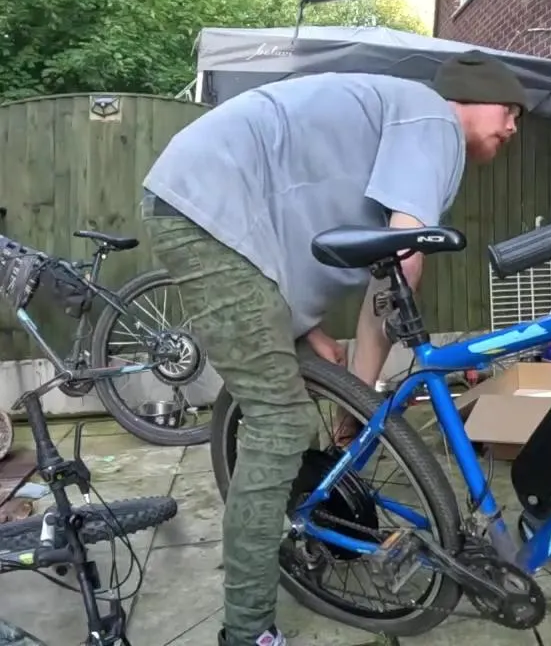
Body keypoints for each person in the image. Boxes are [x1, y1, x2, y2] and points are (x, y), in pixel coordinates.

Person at [139, 51, 528, 646]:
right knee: (279, 424)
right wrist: (360, 404)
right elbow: (404, 260)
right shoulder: (433, 119)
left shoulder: (402, 118)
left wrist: (349, 387)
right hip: (209, 206)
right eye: (510, 111)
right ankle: (247, 632)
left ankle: (302, 501)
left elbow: (381, 273)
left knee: (308, 381)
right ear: (471, 100)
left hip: (228, 216)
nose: (513, 128)